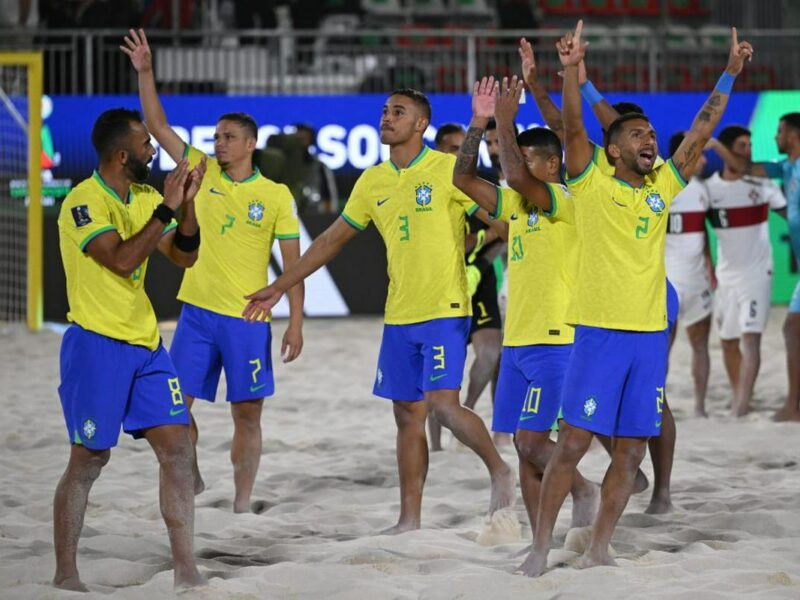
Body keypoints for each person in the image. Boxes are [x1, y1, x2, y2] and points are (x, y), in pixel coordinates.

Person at [522, 22, 751, 577]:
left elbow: (701, 127)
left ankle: (600, 545)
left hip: (648, 336)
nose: (649, 140)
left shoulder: (662, 187)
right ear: (613, 150)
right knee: (574, 442)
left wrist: (730, 72)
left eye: (652, 134)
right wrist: (571, 70)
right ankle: (539, 547)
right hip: (599, 333)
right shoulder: (591, 181)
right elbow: (573, 124)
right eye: (637, 135)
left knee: (630, 452)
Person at [243, 89, 516, 533]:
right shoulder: (373, 181)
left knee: (443, 407)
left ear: (421, 124)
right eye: (385, 110)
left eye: (398, 112)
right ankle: (409, 520)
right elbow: (331, 240)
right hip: (398, 315)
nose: (386, 117)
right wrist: (280, 286)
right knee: (407, 416)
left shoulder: (448, 170)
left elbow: (501, 222)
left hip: (445, 308)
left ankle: (498, 467)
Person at [122, 29, 305, 513]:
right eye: (216, 136)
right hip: (198, 314)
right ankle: (195, 472)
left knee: (247, 416)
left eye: (228, 137)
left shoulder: (276, 195)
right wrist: (145, 72)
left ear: (250, 143)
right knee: (175, 408)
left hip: (248, 318)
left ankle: (243, 503)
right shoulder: (201, 171)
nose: (219, 143)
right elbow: (157, 124)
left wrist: (297, 322)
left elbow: (293, 266)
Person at [54, 108, 206, 591]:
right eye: (145, 145)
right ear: (123, 156)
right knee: (90, 460)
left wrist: (187, 205)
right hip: (96, 345)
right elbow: (120, 261)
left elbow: (185, 255)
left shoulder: (144, 197)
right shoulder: (83, 203)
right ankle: (66, 574)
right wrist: (165, 207)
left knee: (179, 451)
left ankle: (186, 570)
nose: (152, 150)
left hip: (145, 345)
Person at [453, 76, 600, 555]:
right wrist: (479, 123)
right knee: (523, 446)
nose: (510, 163)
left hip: (556, 339)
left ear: (551, 165)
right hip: (518, 340)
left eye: (523, 156)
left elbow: (516, 176)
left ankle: (583, 489)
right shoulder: (515, 205)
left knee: (537, 444)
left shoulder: (565, 200)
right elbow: (461, 179)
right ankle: (541, 538)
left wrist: (505, 120)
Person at [431, 122, 505, 451]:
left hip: (480, 278)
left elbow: (507, 229)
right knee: (440, 370)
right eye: (452, 148)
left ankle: (468, 413)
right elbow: (457, 244)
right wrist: (484, 238)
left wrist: (484, 251)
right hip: (440, 283)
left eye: (464, 148)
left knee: (490, 354)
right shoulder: (428, 188)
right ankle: (434, 445)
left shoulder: (478, 186)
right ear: (438, 150)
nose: (460, 155)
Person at [705, 125, 786, 417]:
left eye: (750, 145)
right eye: (741, 145)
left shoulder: (764, 187)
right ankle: (741, 394)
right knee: (728, 342)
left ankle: (740, 406)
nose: (748, 151)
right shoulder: (709, 190)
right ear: (728, 149)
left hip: (757, 274)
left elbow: (791, 215)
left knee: (751, 338)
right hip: (726, 278)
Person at [727, 113, 800, 421]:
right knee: (791, 329)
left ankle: (793, 406)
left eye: (779, 131)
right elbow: (745, 168)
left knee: (792, 330)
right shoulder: (786, 168)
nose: (775, 137)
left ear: (793, 135)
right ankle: (794, 405)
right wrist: (715, 144)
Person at [665, 132, 716, 418]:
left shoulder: (703, 190)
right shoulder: (662, 187)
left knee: (700, 344)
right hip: (668, 278)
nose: (705, 158)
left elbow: (703, 231)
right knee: (663, 347)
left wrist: (710, 263)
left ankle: (700, 406)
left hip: (697, 279)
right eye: (699, 151)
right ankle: (657, 401)